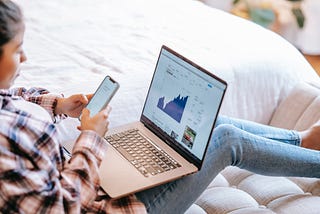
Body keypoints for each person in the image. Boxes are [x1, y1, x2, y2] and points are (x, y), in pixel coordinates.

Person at [0, 0, 319, 213]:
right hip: (109, 207)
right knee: (226, 141)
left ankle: (302, 141)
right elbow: (62, 208)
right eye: (18, 50)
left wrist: (57, 103)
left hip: (91, 178)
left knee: (207, 126)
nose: (25, 59)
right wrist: (91, 139)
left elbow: (15, 95)